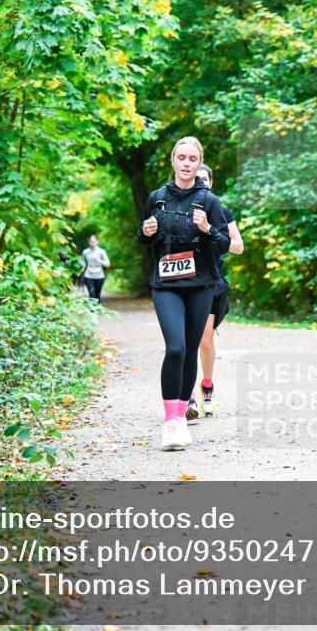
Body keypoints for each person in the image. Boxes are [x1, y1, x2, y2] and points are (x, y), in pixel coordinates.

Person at [137, 136, 231, 450]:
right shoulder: (158, 197)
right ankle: (170, 421)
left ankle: (180, 418)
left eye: (193, 158)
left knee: (191, 350)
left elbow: (225, 245)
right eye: (182, 157)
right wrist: (145, 233)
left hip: (201, 284)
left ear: (198, 162)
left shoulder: (209, 201)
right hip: (166, 284)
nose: (187, 163)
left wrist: (207, 229)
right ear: (173, 160)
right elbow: (145, 237)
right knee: (175, 348)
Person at [186, 164, 243, 421]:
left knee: (205, 339)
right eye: (196, 178)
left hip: (210, 282)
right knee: (185, 340)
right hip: (182, 282)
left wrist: (210, 229)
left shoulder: (222, 211)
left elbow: (238, 247)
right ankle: (187, 397)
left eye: (204, 179)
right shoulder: (178, 209)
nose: (200, 182)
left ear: (210, 183)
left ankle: (207, 386)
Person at [80, 235, 110, 302]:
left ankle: (98, 309)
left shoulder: (101, 251)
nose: (92, 243)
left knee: (97, 294)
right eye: (91, 241)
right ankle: (92, 310)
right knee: (92, 294)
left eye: (93, 241)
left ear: (97, 242)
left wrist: (100, 261)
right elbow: (82, 262)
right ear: (89, 242)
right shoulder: (85, 252)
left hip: (99, 276)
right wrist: (82, 268)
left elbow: (108, 264)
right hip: (88, 275)